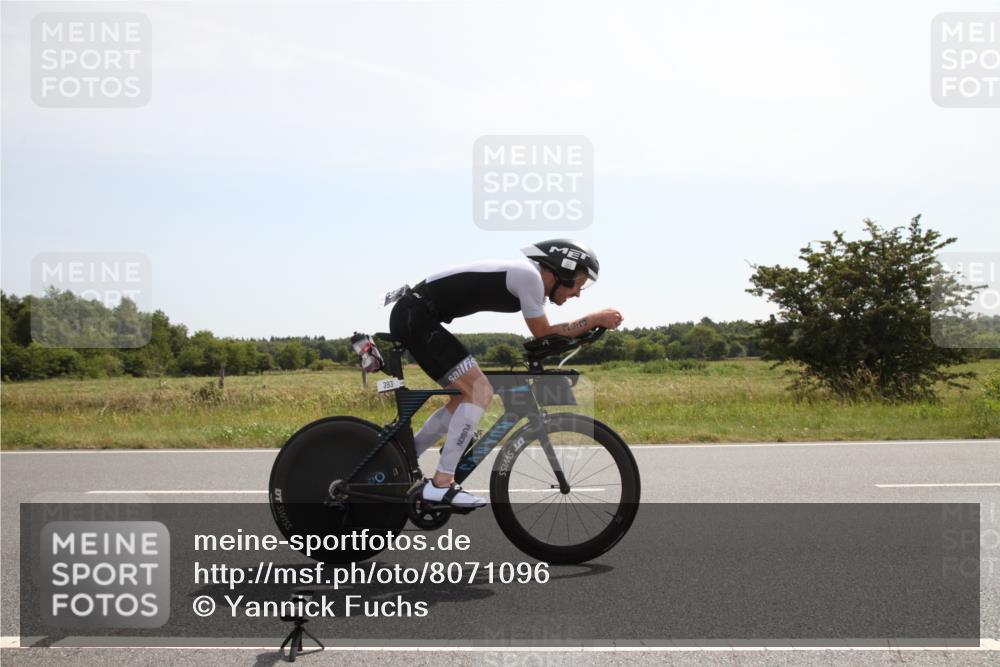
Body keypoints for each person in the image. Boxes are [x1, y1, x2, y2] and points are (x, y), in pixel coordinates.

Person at [388, 239, 624, 508]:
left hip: (415, 315)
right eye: (578, 283)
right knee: (479, 391)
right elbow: (543, 333)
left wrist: (584, 332)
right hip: (415, 316)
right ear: (563, 271)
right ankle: (441, 484)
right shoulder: (530, 277)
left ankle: (401, 457)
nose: (578, 293)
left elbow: (543, 339)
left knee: (461, 399)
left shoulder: (528, 276)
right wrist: (593, 319)